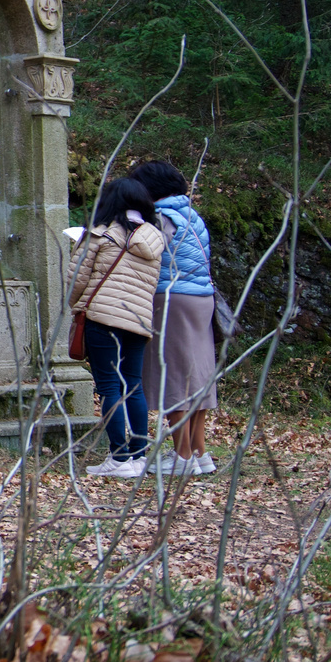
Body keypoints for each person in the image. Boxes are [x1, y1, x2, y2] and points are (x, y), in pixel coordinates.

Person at [71, 177, 165, 478]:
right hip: (137, 320)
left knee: (110, 386)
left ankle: (119, 457)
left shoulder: (98, 235)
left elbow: (76, 279)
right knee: (133, 384)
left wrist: (75, 304)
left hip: (102, 318)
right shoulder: (155, 238)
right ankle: (139, 456)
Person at [130, 160, 219, 476]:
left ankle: (182, 457)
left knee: (175, 374)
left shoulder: (162, 217)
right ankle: (199, 451)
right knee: (197, 374)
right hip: (201, 298)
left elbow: (150, 252)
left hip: (172, 298)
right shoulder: (190, 215)